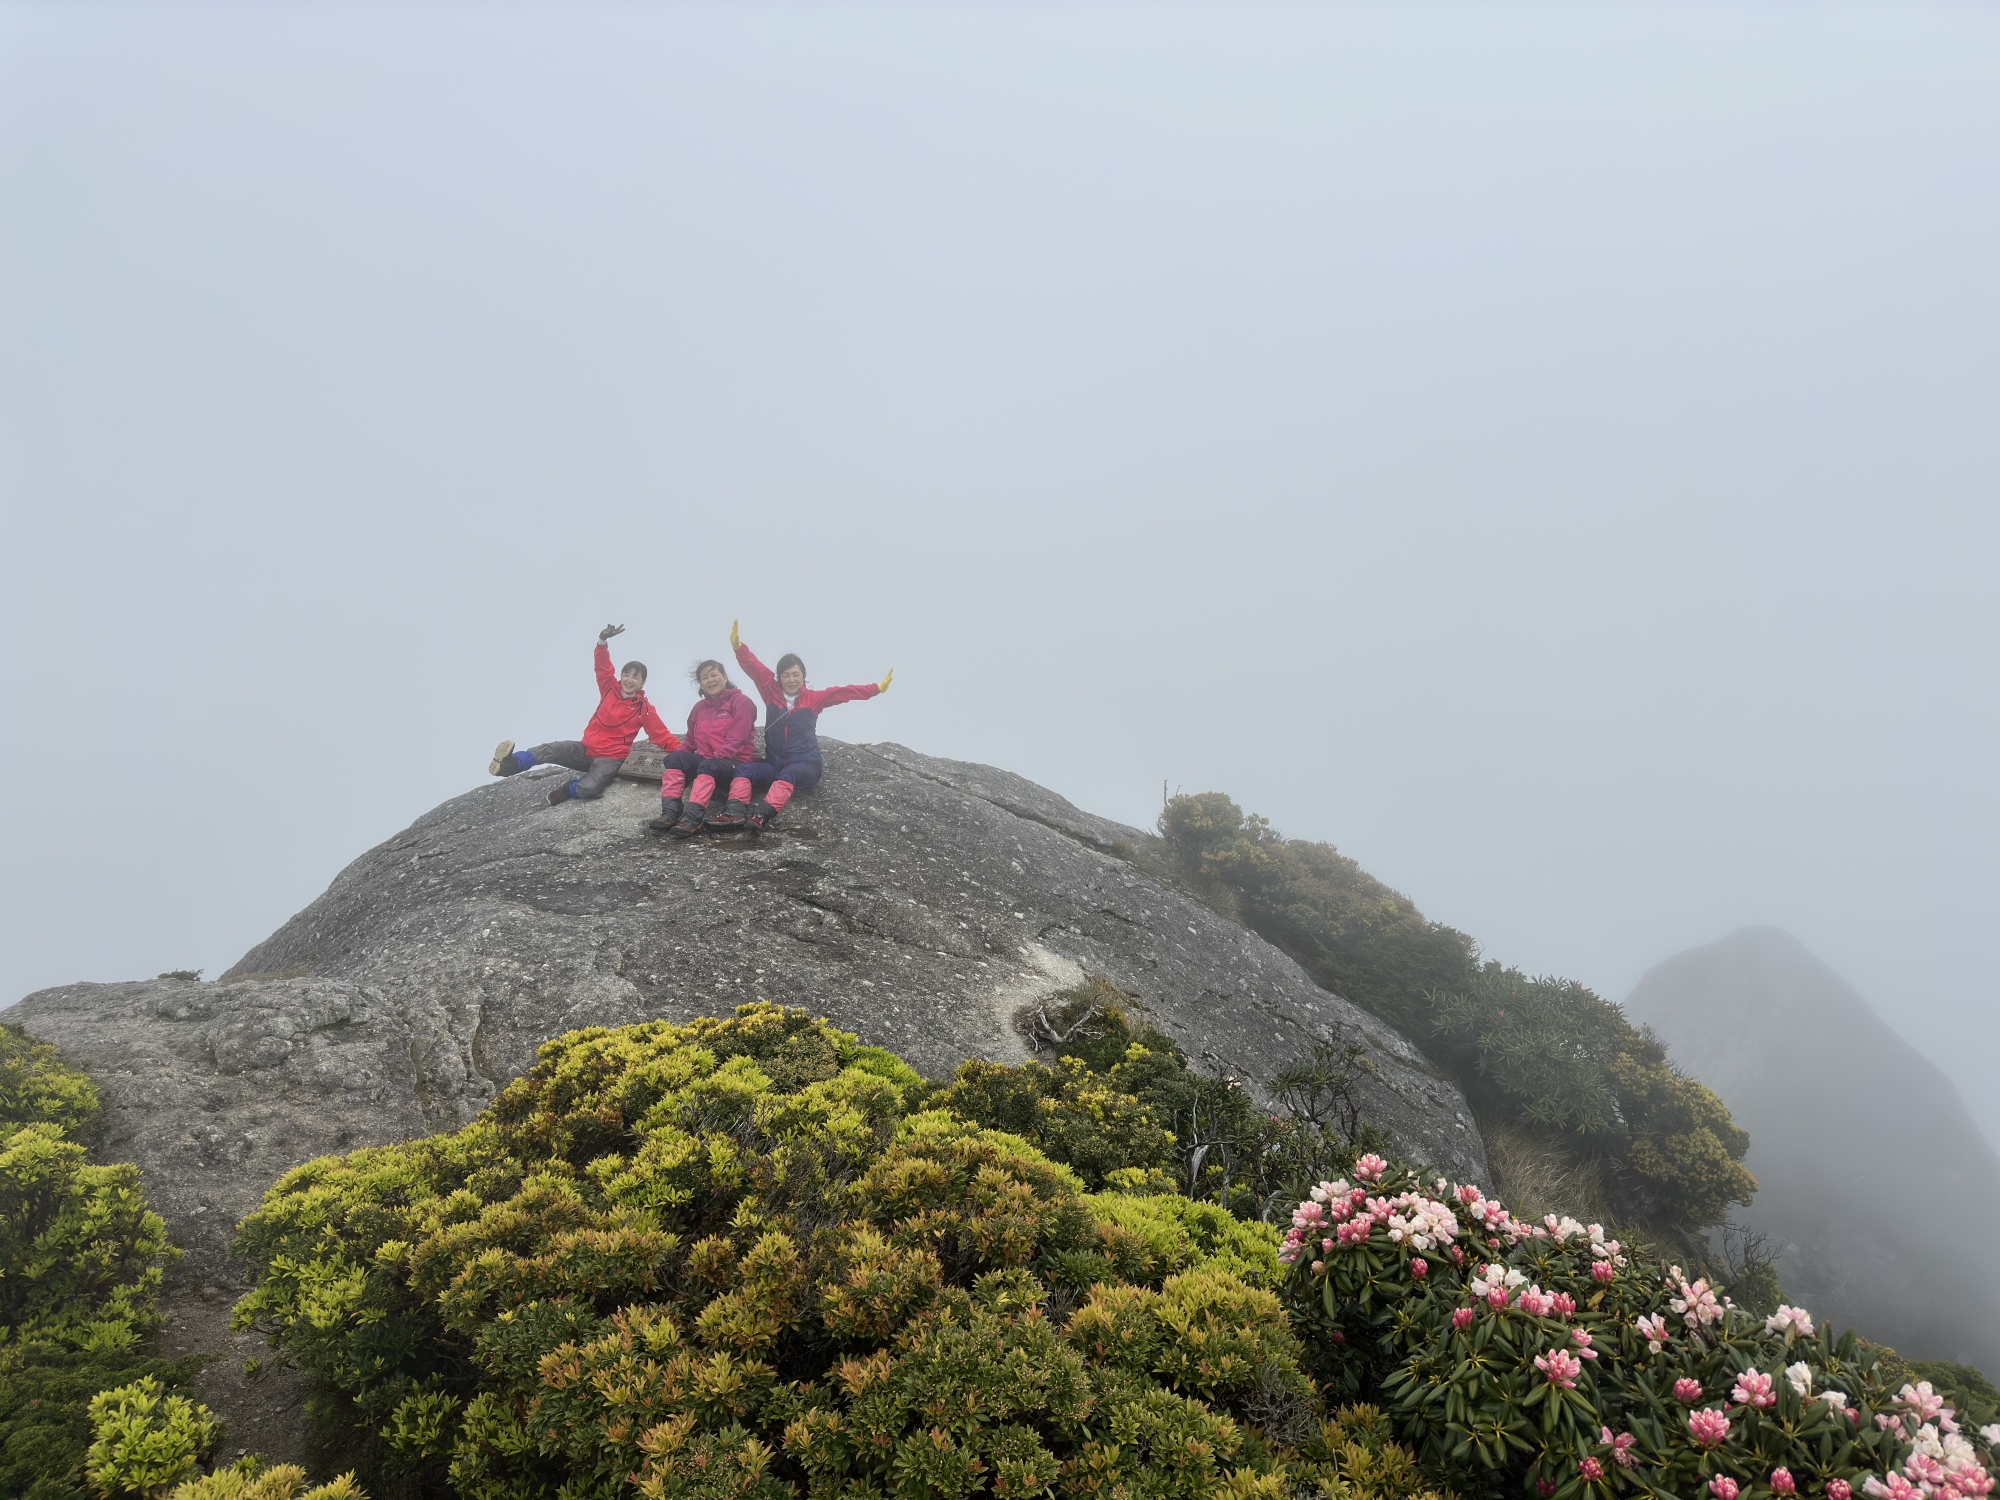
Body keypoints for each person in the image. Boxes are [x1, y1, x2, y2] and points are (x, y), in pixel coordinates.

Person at [714, 619, 891, 834]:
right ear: (779, 678)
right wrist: (739, 648)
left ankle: (761, 815)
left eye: (796, 674)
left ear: (803, 676)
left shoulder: (815, 699)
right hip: (774, 764)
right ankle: (734, 812)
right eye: (786, 675)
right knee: (743, 770)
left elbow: (844, 693)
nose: (791, 679)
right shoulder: (770, 691)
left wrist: (876, 689)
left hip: (806, 766)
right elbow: (755, 668)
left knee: (788, 774)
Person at [489, 624, 681, 806]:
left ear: (642, 682)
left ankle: (569, 789)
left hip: (609, 759)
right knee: (549, 749)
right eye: (626, 674)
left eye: (635, 676)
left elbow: (661, 735)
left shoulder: (643, 709)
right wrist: (602, 641)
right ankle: (510, 764)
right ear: (621, 676)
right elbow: (602, 667)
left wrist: (684, 751)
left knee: (590, 788)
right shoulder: (609, 688)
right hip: (584, 749)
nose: (629, 680)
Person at [650, 658, 758, 836]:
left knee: (708, 764)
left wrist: (714, 759)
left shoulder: (741, 702)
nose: (710, 680)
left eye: (714, 675)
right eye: (704, 677)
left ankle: (693, 818)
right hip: (708, 766)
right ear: (700, 683)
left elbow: (737, 739)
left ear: (725, 676)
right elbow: (691, 743)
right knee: (676, 758)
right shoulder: (699, 708)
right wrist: (677, 758)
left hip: (734, 764)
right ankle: (671, 812)